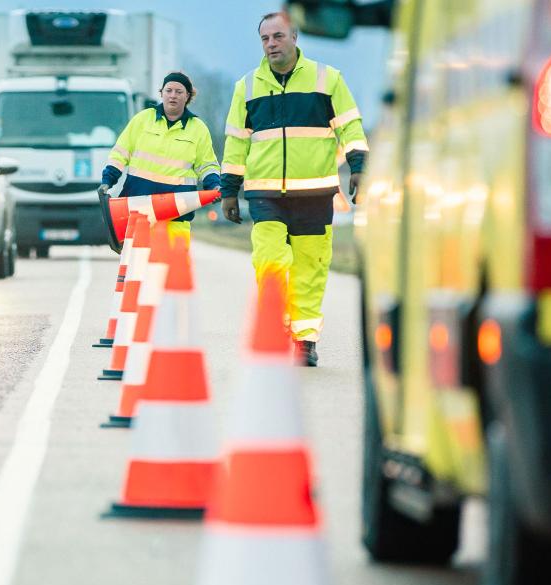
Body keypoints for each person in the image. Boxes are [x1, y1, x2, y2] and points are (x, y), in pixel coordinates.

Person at [220, 11, 368, 367]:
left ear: (295, 37)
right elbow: (236, 143)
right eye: (265, 39)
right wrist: (229, 190)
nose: (271, 44)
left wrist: (359, 167)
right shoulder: (247, 86)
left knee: (310, 269)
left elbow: (350, 126)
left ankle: (305, 340)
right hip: (265, 195)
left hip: (315, 194)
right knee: (270, 262)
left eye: (278, 37)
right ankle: (276, 324)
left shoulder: (327, 79)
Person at [98, 72, 221, 236]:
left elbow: (207, 165)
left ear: (188, 97)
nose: (173, 96)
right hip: (138, 208)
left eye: (179, 92)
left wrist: (214, 186)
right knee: (137, 260)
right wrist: (108, 180)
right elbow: (120, 154)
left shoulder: (198, 129)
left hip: (177, 214)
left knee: (173, 261)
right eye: (169, 90)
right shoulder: (142, 119)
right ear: (161, 93)